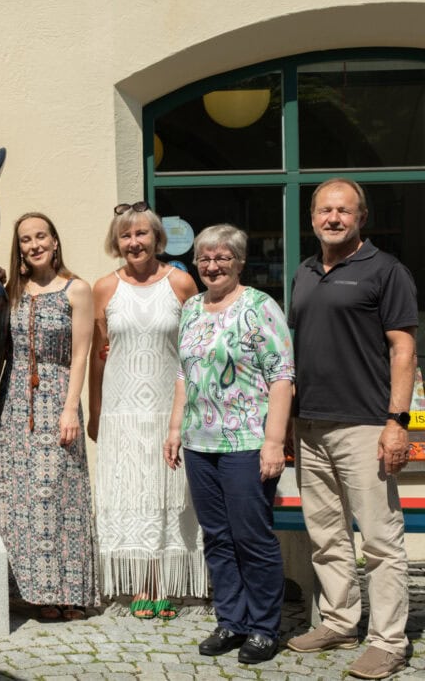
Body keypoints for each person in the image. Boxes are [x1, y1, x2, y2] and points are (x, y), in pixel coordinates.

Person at [286, 178, 418, 680]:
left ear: (361, 217)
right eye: (325, 210)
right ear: (313, 217)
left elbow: (402, 350)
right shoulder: (303, 272)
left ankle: (389, 641)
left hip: (365, 424)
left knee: (381, 541)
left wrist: (396, 422)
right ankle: (340, 620)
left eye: (344, 210)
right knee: (326, 535)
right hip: (311, 423)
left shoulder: (386, 271)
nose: (333, 218)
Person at [163, 224, 293, 664]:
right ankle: (231, 620)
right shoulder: (192, 308)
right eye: (204, 258)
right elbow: (186, 372)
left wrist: (274, 441)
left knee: (251, 536)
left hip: (246, 442)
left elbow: (282, 376)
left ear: (239, 262)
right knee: (216, 537)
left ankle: (263, 627)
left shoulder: (260, 306)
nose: (212, 265)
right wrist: (176, 428)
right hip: (200, 443)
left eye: (222, 258)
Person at [88, 201, 204, 621]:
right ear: (116, 242)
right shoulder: (105, 287)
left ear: (157, 238)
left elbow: (194, 351)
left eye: (141, 234)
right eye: (126, 235)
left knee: (166, 494)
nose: (134, 242)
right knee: (130, 493)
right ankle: (140, 581)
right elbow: (100, 355)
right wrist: (95, 409)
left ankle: (164, 582)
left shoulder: (181, 283)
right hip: (121, 411)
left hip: (167, 410)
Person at [0, 211, 99, 620]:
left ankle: (70, 591)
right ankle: (33, 593)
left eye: (41, 236)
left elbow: (80, 355)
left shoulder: (77, 290)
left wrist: (72, 406)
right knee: (19, 495)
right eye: (25, 239)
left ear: (55, 241)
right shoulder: (10, 293)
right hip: (16, 401)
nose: (34, 244)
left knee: (60, 494)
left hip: (58, 397)